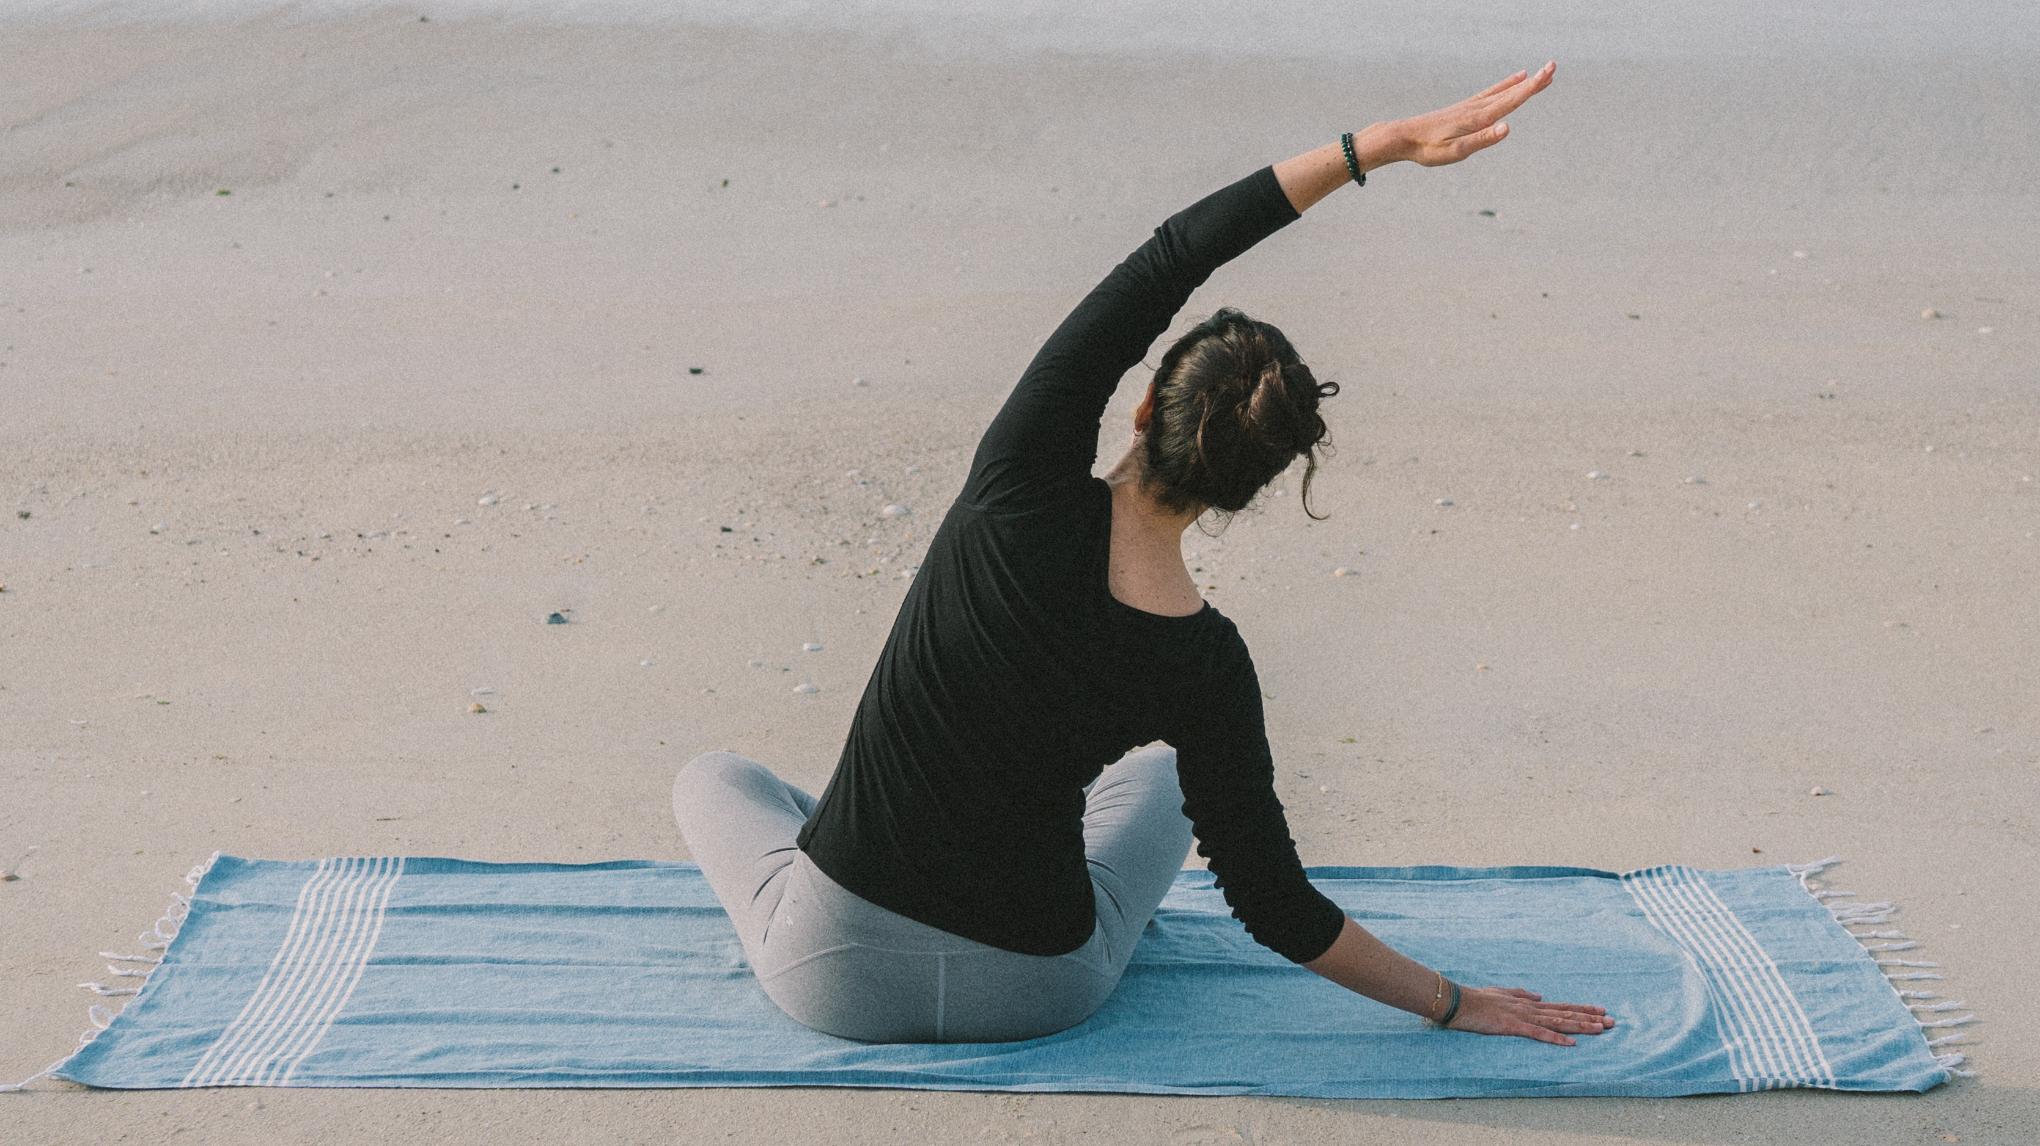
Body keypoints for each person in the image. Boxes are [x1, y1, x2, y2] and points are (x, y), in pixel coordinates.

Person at [676, 59, 1613, 1048]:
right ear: (1243, 494)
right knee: (1166, 784)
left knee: (719, 778)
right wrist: (1456, 1002)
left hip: (834, 977)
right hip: (1035, 997)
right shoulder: (1208, 664)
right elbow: (1274, 904)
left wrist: (1368, 148)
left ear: (1139, 408)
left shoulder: (1018, 482)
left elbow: (1169, 258)